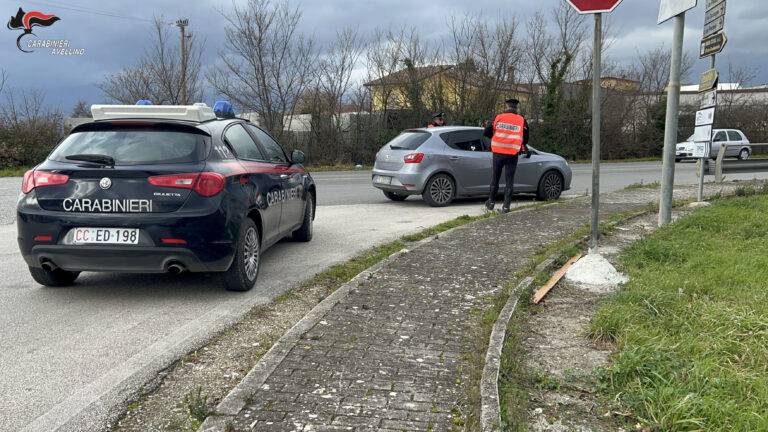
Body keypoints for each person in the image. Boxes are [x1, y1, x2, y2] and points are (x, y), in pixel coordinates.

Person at [483, 98, 529, 213]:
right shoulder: (522, 120)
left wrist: (493, 137)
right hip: (512, 154)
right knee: (509, 180)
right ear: (516, 108)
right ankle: (506, 206)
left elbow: (486, 131)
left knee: (495, 178)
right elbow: (526, 138)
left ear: (506, 107)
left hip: (498, 153)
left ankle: (491, 202)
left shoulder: (498, 117)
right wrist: (521, 144)